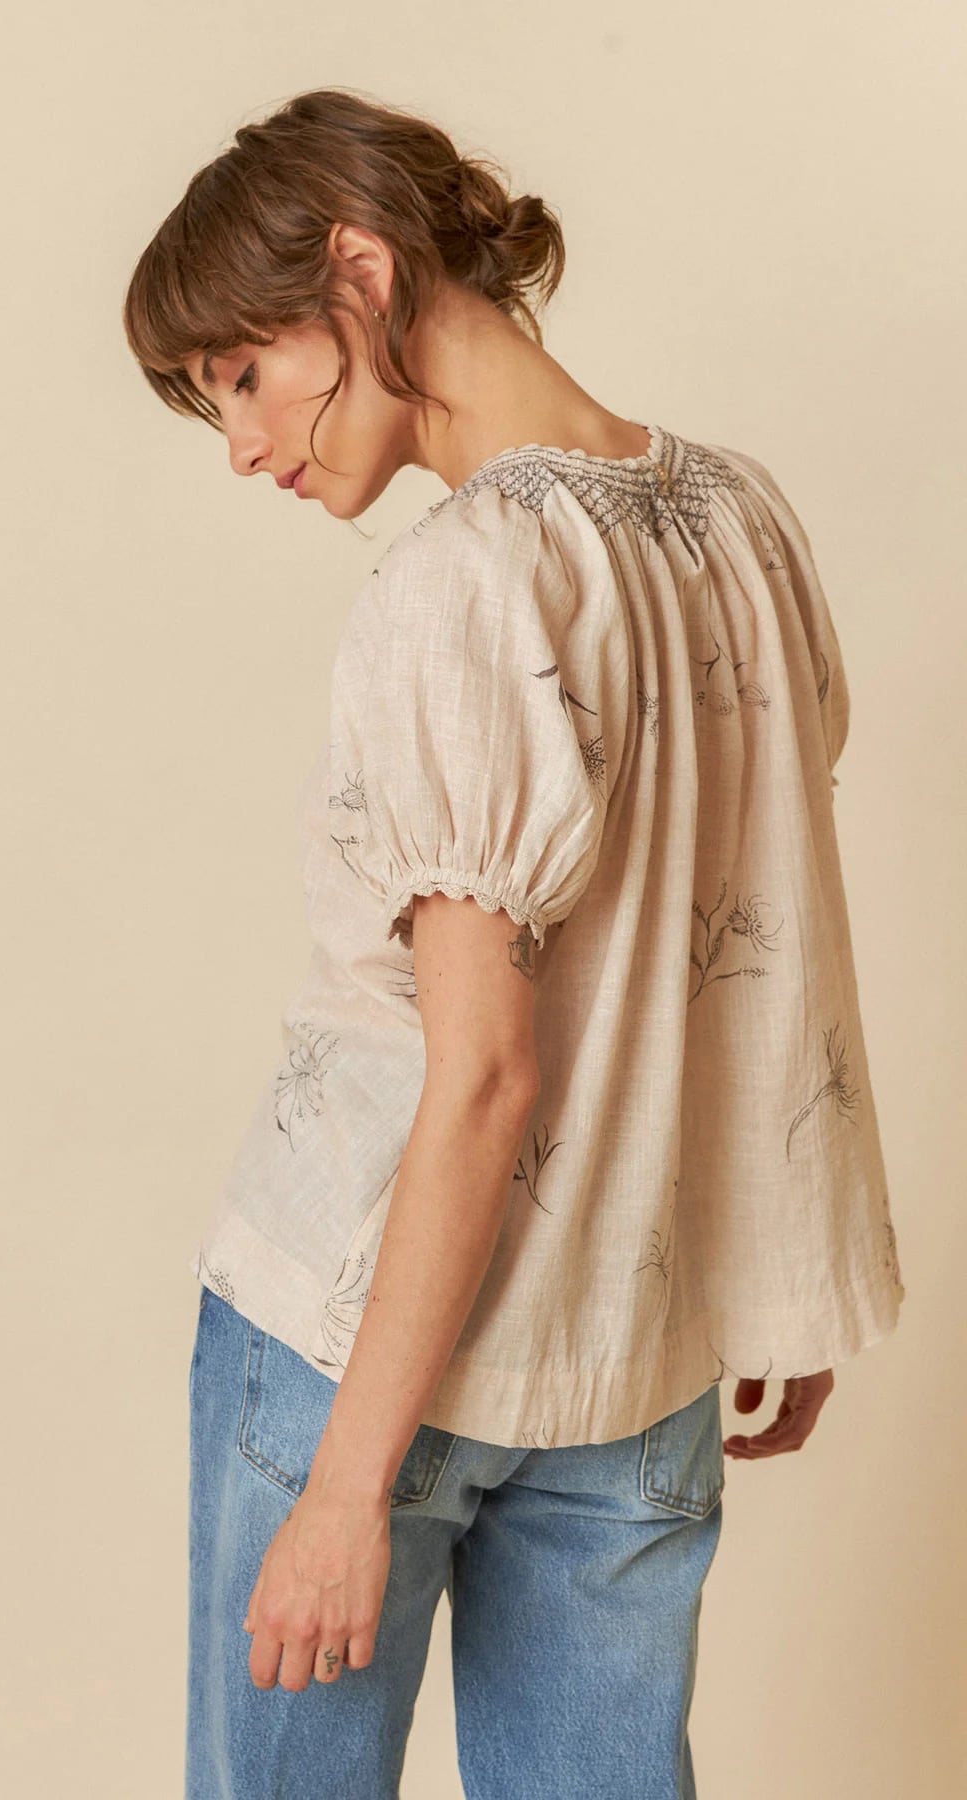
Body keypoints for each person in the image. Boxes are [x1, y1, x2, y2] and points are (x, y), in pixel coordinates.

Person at [123, 86, 904, 1799]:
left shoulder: (459, 585)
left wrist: (345, 1486)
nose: (244, 448)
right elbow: (766, 942)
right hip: (635, 1348)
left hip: (356, 1352)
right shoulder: (746, 526)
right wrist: (778, 1274)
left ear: (358, 266)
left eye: (243, 376)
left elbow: (484, 1072)